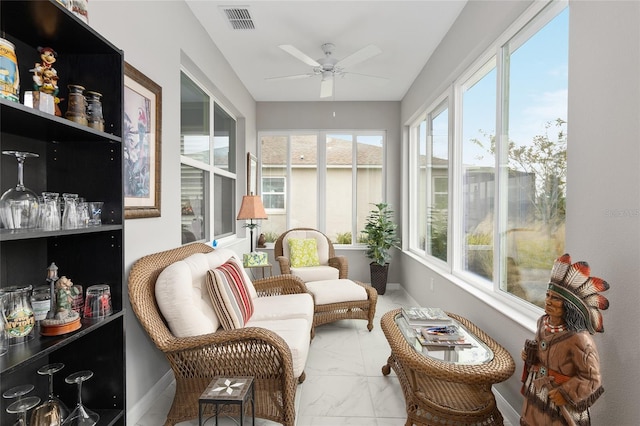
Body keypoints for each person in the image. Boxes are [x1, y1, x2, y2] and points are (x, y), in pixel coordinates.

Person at [521, 253, 609, 426]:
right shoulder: (543, 323)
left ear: (569, 306)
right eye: (547, 295)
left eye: (556, 298)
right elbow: (542, 349)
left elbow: (592, 378)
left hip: (560, 402)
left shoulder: (580, 339)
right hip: (537, 393)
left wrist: (566, 393)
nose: (548, 301)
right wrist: (530, 356)